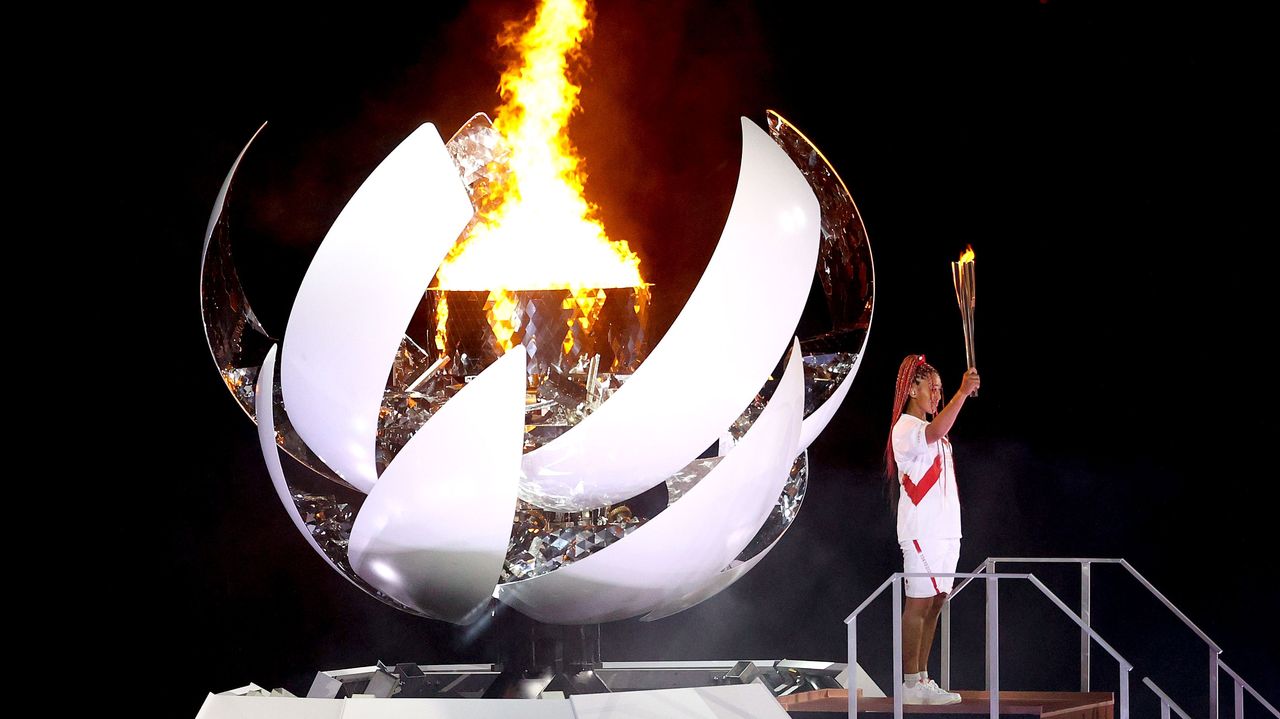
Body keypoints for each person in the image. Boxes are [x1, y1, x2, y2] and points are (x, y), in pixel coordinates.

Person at [884, 354, 980, 705]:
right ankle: (909, 682)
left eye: (941, 390)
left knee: (937, 602)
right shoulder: (906, 429)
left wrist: (956, 396)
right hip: (921, 532)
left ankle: (923, 678)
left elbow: (940, 429)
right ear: (912, 388)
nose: (937, 396)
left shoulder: (936, 436)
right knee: (919, 602)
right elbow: (938, 427)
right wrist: (961, 392)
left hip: (945, 532)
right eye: (932, 389)